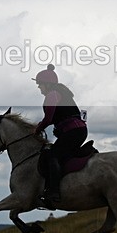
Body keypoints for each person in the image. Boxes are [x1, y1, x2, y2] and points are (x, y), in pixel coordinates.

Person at [32, 64, 87, 208]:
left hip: (73, 131)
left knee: (52, 155)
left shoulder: (52, 94)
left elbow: (49, 119)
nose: (39, 88)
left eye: (40, 84)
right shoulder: (60, 93)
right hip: (76, 130)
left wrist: (37, 129)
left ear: (47, 84)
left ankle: (53, 192)